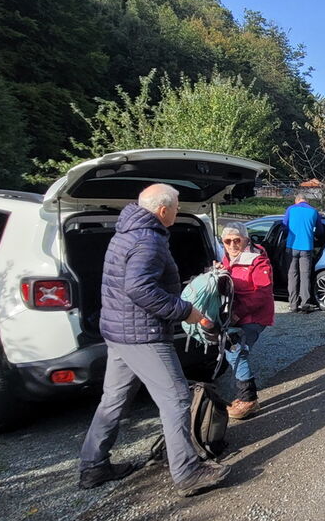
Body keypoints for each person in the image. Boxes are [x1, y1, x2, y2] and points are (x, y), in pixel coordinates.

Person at [79, 183, 229, 497]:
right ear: (163, 210)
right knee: (176, 399)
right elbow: (139, 289)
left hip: (119, 331)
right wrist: (185, 311)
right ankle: (187, 472)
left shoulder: (126, 231)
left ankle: (94, 465)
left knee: (113, 400)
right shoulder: (147, 240)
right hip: (142, 334)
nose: (178, 210)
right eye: (176, 206)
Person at [219, 223, 274, 420]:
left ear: (246, 240)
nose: (232, 245)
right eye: (227, 241)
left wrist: (238, 314)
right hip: (235, 315)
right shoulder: (227, 260)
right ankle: (245, 397)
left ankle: (249, 400)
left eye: (237, 240)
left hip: (254, 316)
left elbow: (262, 294)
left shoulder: (258, 262)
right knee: (231, 350)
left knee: (235, 351)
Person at [283, 192, 319, 313]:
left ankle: (293, 305)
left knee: (292, 275)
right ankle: (305, 304)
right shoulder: (314, 211)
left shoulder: (291, 209)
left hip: (291, 246)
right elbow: (320, 230)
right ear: (306, 201)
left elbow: (284, 226)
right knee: (305, 276)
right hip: (307, 247)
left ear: (296, 200)